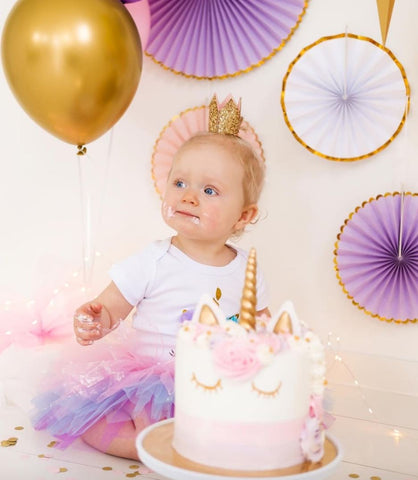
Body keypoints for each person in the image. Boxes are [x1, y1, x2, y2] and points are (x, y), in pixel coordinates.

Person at [32, 95, 270, 460]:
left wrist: (267, 350)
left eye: (209, 191)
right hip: (157, 380)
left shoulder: (246, 270)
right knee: (153, 432)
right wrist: (99, 318)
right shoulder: (154, 260)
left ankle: (197, 445)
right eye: (179, 183)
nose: (188, 197)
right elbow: (112, 306)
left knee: (249, 423)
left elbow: (260, 323)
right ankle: (128, 440)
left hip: (218, 379)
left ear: (243, 216)